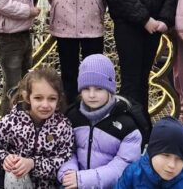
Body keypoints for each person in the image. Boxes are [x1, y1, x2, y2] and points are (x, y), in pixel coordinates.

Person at [58, 55, 143, 189]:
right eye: (86, 89)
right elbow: (65, 152)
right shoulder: (72, 117)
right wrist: (68, 173)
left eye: (99, 89)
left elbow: (124, 165)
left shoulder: (126, 123)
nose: (91, 95)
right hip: (75, 182)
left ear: (110, 89)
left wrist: (84, 180)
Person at [0, 66, 74, 189]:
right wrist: (5, 159)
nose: (45, 105)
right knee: (13, 173)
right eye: (38, 98)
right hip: (17, 183)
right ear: (27, 97)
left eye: (52, 99)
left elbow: (64, 159)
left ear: (58, 100)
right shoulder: (10, 122)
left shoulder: (63, 126)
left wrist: (33, 164)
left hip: (48, 185)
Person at [115, 117, 183, 189]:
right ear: (152, 151)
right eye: (166, 155)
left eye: (179, 158)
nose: (172, 165)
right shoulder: (133, 173)